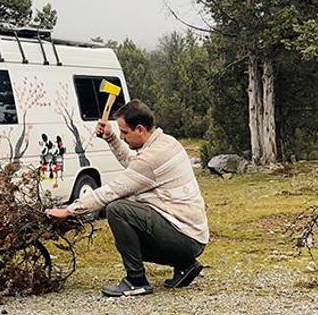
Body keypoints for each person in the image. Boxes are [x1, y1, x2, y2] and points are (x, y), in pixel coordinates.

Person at [46, 100, 209, 297]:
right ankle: (185, 265)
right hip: (192, 236)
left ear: (140, 129)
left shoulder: (152, 158)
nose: (123, 138)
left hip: (185, 237)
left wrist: (68, 211)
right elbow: (134, 163)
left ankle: (136, 280)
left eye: (125, 132)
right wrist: (111, 138)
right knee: (129, 226)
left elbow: (112, 191)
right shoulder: (166, 143)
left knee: (117, 209)